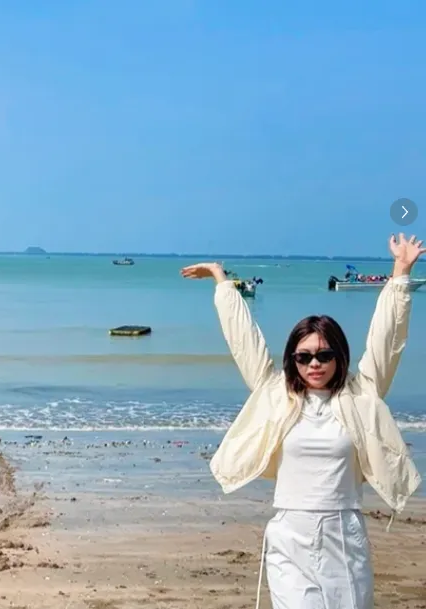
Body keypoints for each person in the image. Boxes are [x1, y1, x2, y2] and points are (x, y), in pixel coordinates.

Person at [180, 233, 424, 609]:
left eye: (324, 355)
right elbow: (245, 342)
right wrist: (222, 282)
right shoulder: (275, 394)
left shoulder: (362, 394)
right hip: (289, 536)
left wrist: (401, 272)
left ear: (340, 357)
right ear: (292, 359)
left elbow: (387, 338)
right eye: (304, 356)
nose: (314, 364)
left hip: (344, 536)